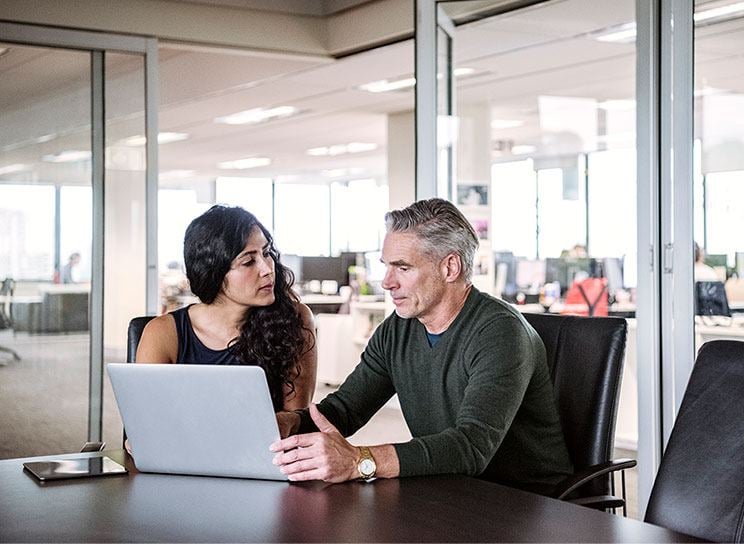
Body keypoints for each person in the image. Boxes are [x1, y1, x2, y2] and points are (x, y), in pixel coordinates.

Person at [271, 198, 573, 495]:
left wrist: (359, 460)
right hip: (453, 491)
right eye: (386, 267)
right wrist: (282, 426)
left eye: (402, 268)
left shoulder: (500, 332)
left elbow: (471, 446)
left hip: (529, 503)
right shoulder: (398, 329)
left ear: (450, 267)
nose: (387, 282)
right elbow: (344, 411)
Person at [136, 205, 316, 413]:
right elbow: (146, 418)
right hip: (186, 445)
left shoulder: (293, 319)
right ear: (214, 273)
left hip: (264, 446)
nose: (267, 269)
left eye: (267, 253)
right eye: (248, 262)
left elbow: (295, 420)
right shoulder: (163, 333)